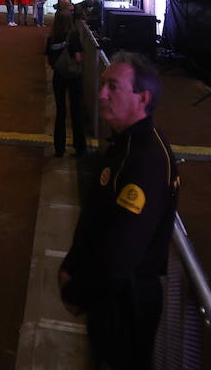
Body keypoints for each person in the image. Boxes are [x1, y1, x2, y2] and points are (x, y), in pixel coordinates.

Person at [59, 52, 178, 370]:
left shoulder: (146, 160)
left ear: (143, 98)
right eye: (102, 85)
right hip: (110, 297)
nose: (101, 94)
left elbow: (121, 252)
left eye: (113, 86)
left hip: (124, 304)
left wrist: (78, 292)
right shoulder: (126, 145)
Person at [45, 11, 88, 159]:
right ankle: (80, 148)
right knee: (76, 112)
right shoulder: (73, 35)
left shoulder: (52, 37)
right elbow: (78, 57)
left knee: (60, 111)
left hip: (59, 76)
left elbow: (49, 59)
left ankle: (59, 148)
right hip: (74, 77)